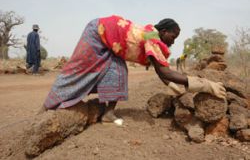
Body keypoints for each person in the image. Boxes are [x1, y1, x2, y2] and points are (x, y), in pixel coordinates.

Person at [43, 15, 226, 126]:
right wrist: (204, 84)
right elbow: (164, 72)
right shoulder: (153, 39)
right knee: (79, 69)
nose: (173, 41)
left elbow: (160, 70)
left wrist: (173, 85)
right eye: (173, 36)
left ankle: (108, 114)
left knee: (118, 72)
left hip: (110, 43)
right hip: (97, 32)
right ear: (163, 31)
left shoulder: (153, 37)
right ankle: (49, 104)